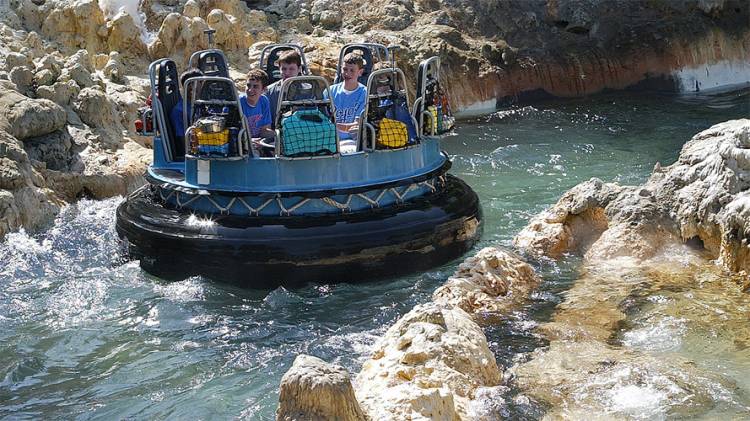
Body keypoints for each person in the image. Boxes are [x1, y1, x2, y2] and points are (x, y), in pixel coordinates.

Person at [326, 52, 367, 151]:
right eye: (345, 69)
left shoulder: (365, 93)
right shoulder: (330, 91)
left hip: (352, 141)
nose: (347, 73)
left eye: (352, 70)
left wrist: (336, 126)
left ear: (360, 72)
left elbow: (357, 125)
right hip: (330, 140)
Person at [265, 50, 303, 127]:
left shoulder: (308, 91)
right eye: (284, 69)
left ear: (299, 69)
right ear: (279, 69)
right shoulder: (268, 92)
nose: (287, 73)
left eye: (291, 69)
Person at [170, 67, 203, 145]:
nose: (192, 87)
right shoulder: (179, 111)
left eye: (195, 83)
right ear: (184, 87)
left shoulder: (200, 104)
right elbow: (182, 141)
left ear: (202, 84)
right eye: (189, 84)